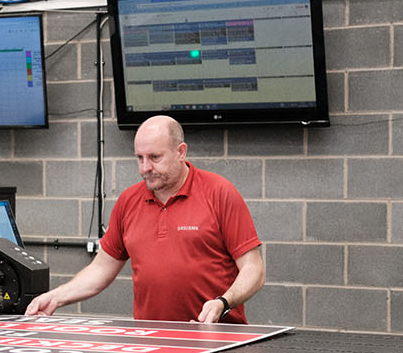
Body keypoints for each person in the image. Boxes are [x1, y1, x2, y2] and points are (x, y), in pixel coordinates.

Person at [25, 114, 265, 323]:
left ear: (181, 152)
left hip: (217, 339)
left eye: (154, 157)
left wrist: (223, 303)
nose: (145, 167)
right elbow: (100, 270)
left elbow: (254, 270)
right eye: (139, 158)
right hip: (154, 343)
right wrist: (55, 297)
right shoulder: (129, 201)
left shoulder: (219, 192)